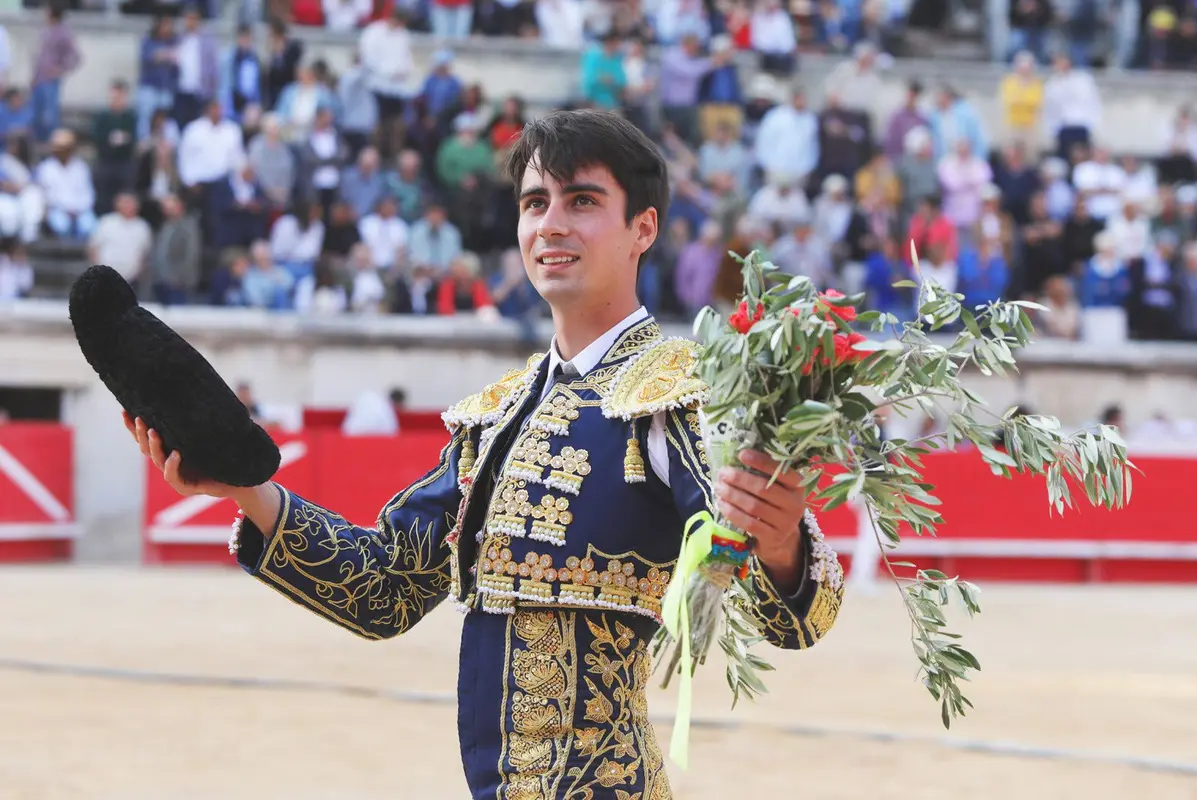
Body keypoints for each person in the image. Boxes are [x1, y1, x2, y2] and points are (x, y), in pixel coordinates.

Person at [123, 109, 843, 798]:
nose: (551, 224)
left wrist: (774, 544)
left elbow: (775, 610)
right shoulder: (498, 413)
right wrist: (244, 487)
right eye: (535, 204)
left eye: (582, 201)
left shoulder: (677, 391)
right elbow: (387, 588)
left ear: (642, 228)